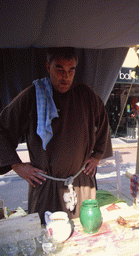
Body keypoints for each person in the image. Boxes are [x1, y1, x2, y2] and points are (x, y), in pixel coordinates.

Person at [0, 47, 112, 223]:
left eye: (71, 70)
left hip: (81, 184)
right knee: (48, 241)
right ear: (48, 67)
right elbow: (2, 128)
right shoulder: (33, 96)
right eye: (59, 69)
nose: (65, 76)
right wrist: (16, 165)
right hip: (45, 187)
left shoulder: (85, 95)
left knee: (84, 236)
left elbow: (103, 121)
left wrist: (97, 155)